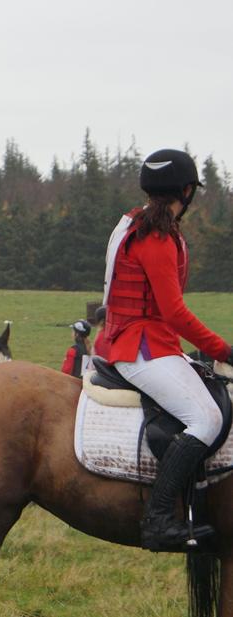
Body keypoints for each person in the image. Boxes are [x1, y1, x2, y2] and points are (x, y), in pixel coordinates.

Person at [101, 148, 231, 551]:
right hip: (140, 347)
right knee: (207, 418)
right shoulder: (158, 237)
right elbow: (173, 312)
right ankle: (158, 519)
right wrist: (223, 349)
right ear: (187, 191)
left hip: (140, 340)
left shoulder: (134, 222)